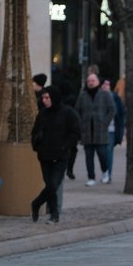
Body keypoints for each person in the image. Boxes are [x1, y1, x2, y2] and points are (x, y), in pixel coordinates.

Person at [31, 87, 81, 224]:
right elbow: (34, 132)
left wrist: (66, 146)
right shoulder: (42, 114)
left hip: (61, 155)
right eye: (43, 98)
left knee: (53, 185)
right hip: (45, 155)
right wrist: (37, 146)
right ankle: (47, 210)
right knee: (50, 185)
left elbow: (75, 132)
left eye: (47, 98)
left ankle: (49, 211)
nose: (44, 100)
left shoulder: (68, 113)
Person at [76, 73, 116, 186]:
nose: (90, 82)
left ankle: (105, 172)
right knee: (89, 156)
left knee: (102, 154)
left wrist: (105, 122)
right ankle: (91, 177)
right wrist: (81, 123)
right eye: (89, 80)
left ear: (98, 82)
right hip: (87, 131)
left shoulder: (105, 94)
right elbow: (77, 110)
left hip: (100, 131)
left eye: (93, 80)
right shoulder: (82, 95)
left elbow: (112, 109)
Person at [101, 78, 126, 183]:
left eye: (108, 84)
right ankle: (104, 172)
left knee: (108, 151)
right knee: (102, 153)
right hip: (99, 129)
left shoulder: (115, 98)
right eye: (104, 84)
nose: (106, 86)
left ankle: (108, 174)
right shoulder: (96, 97)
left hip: (111, 129)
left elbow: (121, 114)